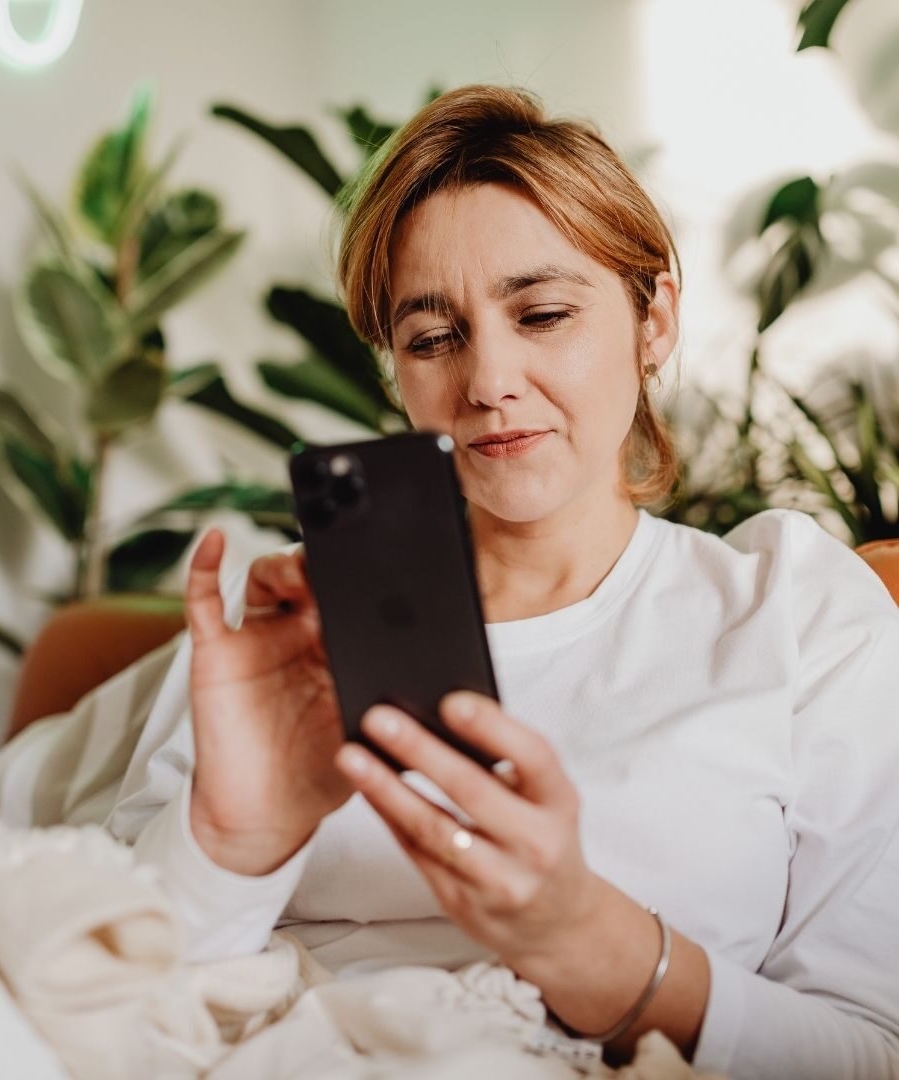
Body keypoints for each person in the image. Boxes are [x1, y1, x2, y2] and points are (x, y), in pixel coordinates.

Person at [108, 85, 899, 1077]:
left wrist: (585, 940)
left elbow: (872, 1052)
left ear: (654, 322)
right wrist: (232, 840)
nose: (486, 381)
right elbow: (105, 1005)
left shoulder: (793, 610)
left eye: (544, 312)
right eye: (432, 338)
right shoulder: (290, 627)